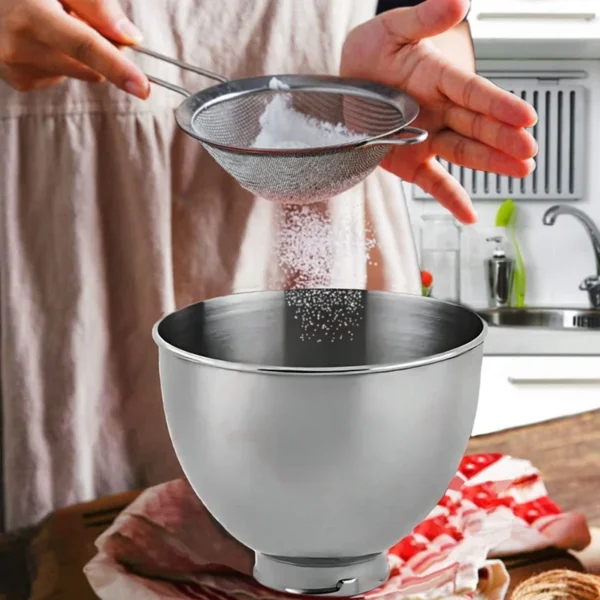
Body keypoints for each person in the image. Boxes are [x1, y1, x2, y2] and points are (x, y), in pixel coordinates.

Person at [0, 0, 537, 532]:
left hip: (334, 162)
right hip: (75, 201)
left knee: (317, 500)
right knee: (80, 535)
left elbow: (426, 12)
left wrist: (416, 78)